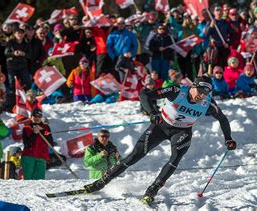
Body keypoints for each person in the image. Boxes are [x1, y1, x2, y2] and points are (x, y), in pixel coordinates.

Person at [82, 76, 236, 206]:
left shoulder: (207, 103)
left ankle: (152, 190)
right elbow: (145, 95)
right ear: (193, 86)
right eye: (200, 92)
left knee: (176, 157)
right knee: (135, 155)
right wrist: (153, 112)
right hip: (161, 126)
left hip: (182, 131)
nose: (201, 96)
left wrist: (228, 138)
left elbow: (223, 119)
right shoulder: (176, 91)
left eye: (205, 94)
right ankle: (102, 182)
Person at [21, 108, 54, 180]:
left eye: (39, 116)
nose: (37, 118)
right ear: (31, 117)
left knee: (39, 181)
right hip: (29, 156)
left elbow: (50, 143)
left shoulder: (46, 127)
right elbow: (27, 144)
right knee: (28, 180)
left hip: (41, 156)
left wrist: (42, 131)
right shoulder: (26, 128)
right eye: (35, 116)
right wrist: (34, 133)